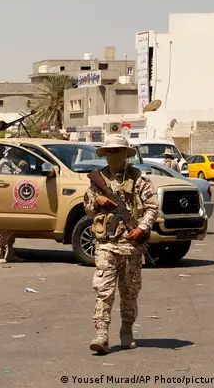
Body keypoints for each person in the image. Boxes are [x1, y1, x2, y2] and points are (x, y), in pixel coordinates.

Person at [84, 134, 158, 354]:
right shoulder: (98, 179)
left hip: (131, 245)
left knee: (129, 292)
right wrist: (96, 201)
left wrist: (141, 228)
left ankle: (126, 331)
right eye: (110, 151)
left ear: (126, 154)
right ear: (105, 154)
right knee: (103, 291)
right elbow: (88, 208)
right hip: (106, 245)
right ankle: (101, 335)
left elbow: (152, 207)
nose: (114, 155)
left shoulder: (140, 179)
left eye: (118, 151)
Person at [0, 147, 27, 264]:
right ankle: (0, 252)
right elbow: (7, 179)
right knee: (6, 225)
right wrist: (19, 168)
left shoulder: (18, 160)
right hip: (6, 196)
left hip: (17, 195)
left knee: (13, 226)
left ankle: (10, 252)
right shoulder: (6, 162)